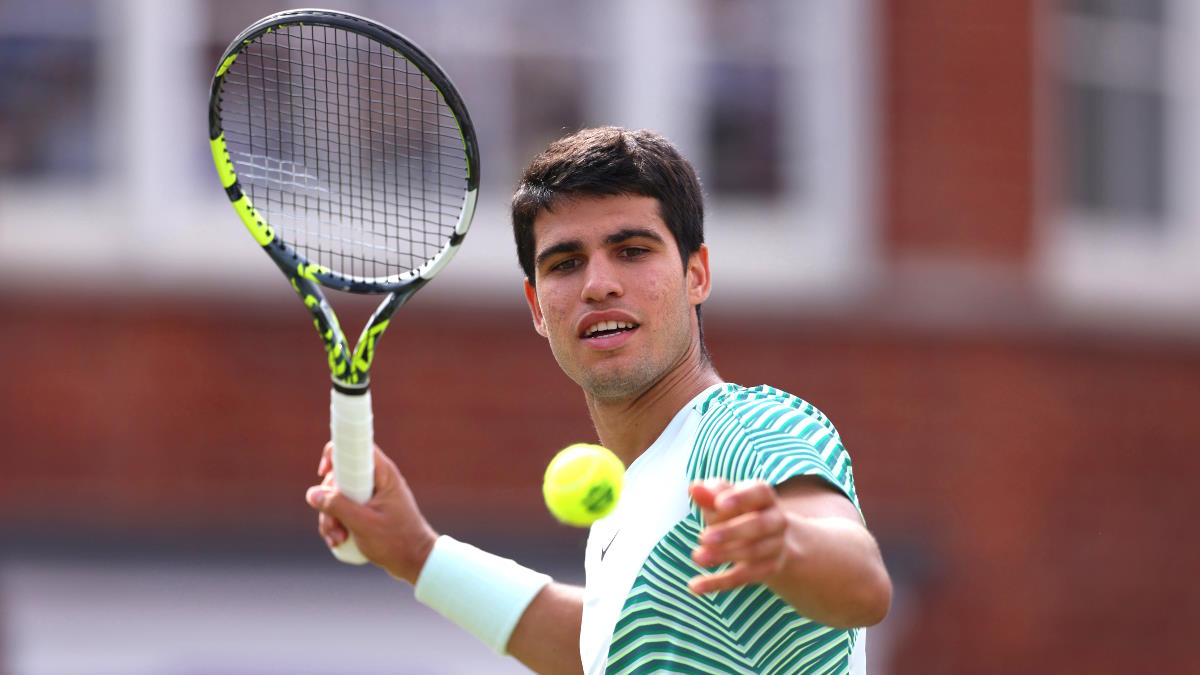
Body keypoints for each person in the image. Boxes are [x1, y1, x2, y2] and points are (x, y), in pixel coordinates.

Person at [306, 127, 892, 674]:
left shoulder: (744, 429)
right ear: (537, 307)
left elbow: (864, 584)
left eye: (632, 250)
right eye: (566, 263)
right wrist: (416, 553)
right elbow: (601, 648)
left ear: (696, 275)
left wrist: (786, 543)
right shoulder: (629, 501)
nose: (598, 284)